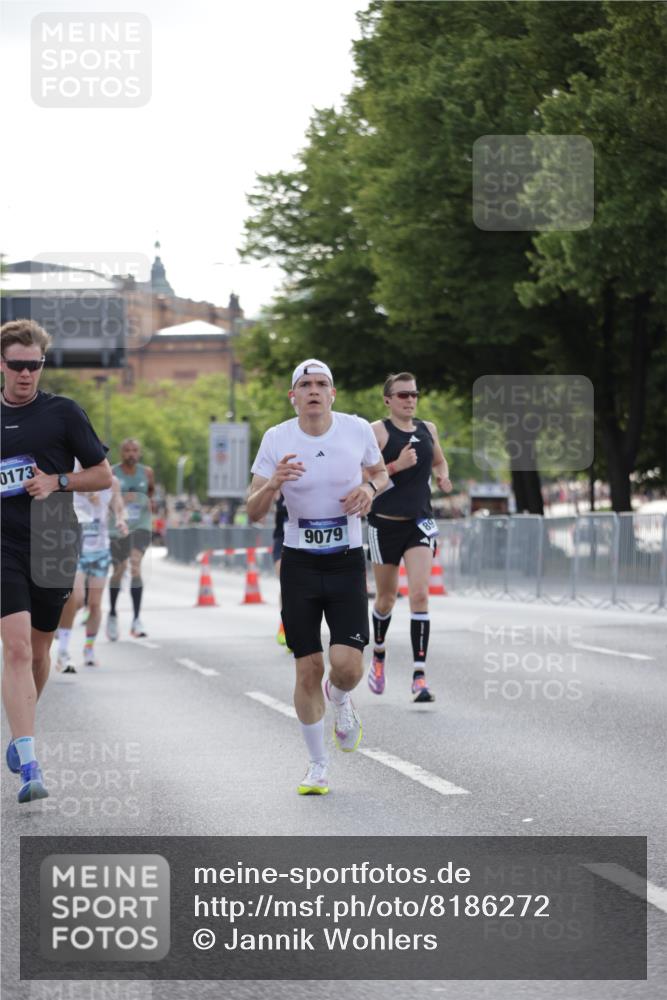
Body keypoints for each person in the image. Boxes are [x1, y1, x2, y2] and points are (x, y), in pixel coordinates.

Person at [247, 359, 388, 796]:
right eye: (305, 384)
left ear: (332, 393)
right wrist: (273, 483)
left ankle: (340, 697)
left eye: (321, 383)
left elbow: (381, 473)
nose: (313, 390)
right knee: (307, 668)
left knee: (346, 666)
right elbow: (252, 511)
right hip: (300, 564)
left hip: (346, 561)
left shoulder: (356, 429)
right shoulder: (277, 438)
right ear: (293, 396)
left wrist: (369, 489)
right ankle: (317, 765)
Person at [1, 319, 111, 802]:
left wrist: (58, 481)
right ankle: (30, 761)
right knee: (16, 649)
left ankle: (20, 731)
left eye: (35, 365)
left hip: (52, 542)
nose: (26, 374)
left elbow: (102, 475)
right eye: (17, 365)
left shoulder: (63, 413)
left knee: (39, 651)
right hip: (3, 545)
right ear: (2, 364)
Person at [366, 372, 451, 703]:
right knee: (386, 599)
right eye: (403, 395)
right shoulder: (376, 432)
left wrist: (442, 477)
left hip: (420, 523)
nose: (410, 400)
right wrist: (396, 466)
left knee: (419, 595)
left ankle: (419, 676)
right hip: (384, 525)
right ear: (388, 400)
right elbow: (361, 476)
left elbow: (440, 462)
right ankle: (379, 653)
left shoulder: (428, 429)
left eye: (414, 394)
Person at [55, 471, 128, 673]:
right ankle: (62, 646)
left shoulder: (111, 482)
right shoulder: (70, 478)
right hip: (75, 550)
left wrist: (120, 520)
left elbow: (119, 506)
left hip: (100, 551)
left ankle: (88, 649)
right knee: (76, 599)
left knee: (95, 605)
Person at [106, 438, 154, 640]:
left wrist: (145, 502)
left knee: (135, 566)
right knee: (119, 570)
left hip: (141, 526)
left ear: (139, 453)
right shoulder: (112, 472)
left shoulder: (147, 473)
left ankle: (136, 619)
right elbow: (105, 499)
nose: (131, 454)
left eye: (134, 450)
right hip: (118, 528)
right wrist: (121, 500)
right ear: (121, 453)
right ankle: (112, 613)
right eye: (127, 450)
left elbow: (150, 493)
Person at [272, 491, 288, 646]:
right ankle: (284, 625)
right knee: (286, 582)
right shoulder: (280, 486)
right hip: (282, 540)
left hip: (304, 541)